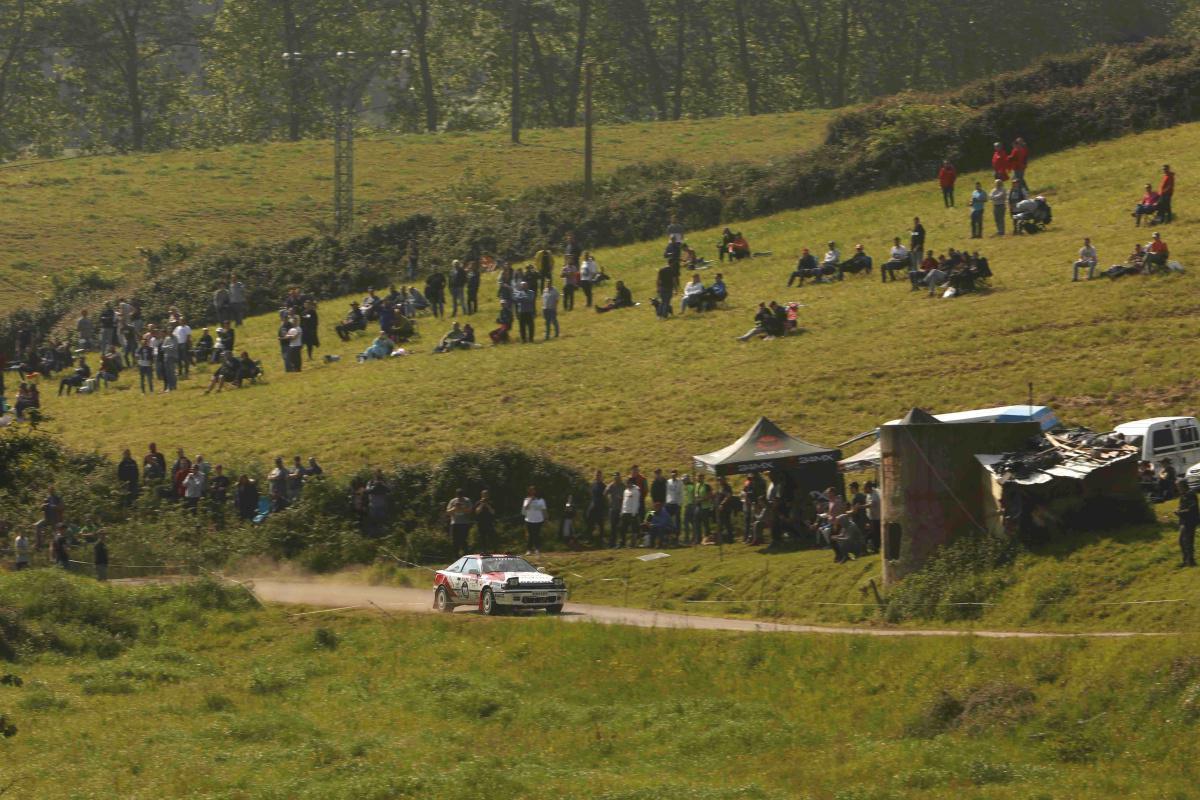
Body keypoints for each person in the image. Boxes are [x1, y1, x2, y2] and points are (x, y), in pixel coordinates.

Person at [1177, 479, 1198, 567]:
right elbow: (1182, 506)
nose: (1177, 488)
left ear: (1183, 486)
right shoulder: (1183, 495)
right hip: (1184, 521)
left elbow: (1192, 509)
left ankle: (1191, 561)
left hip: (1190, 521)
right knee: (1182, 541)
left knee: (1188, 541)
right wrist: (1178, 510)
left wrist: (1180, 512)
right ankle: (1186, 560)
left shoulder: (1190, 494)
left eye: (1178, 486)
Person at [446, 489, 473, 556]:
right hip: (455, 523)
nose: (460, 497)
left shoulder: (467, 500)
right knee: (455, 541)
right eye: (458, 495)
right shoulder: (452, 501)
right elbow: (448, 512)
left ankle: (466, 555)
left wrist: (462, 508)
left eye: (461, 495)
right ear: (456, 495)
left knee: (464, 540)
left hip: (464, 523)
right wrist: (455, 508)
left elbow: (470, 511)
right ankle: (456, 556)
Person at [522, 485, 547, 555]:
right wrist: (530, 500)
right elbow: (525, 509)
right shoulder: (526, 500)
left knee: (536, 535)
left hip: (538, 520)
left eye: (533, 490)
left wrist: (546, 518)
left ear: (536, 491)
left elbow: (544, 510)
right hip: (529, 520)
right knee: (530, 535)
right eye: (530, 490)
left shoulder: (541, 500)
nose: (532, 491)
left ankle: (537, 549)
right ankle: (528, 550)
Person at [585, 470, 607, 544]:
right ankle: (589, 539)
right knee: (590, 522)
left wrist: (604, 509)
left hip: (600, 507)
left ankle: (601, 540)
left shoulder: (603, 486)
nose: (597, 477)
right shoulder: (593, 485)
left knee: (601, 524)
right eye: (596, 475)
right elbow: (591, 496)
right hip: (593, 506)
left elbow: (605, 498)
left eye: (599, 475)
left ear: (601, 477)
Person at [619, 479, 641, 549]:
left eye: (629, 483)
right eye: (627, 483)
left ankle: (633, 544)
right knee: (623, 528)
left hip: (632, 513)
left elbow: (636, 502)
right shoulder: (625, 491)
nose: (627, 484)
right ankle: (622, 543)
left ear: (632, 483)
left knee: (634, 529)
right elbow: (624, 502)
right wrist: (622, 511)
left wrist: (634, 513)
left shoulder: (636, 491)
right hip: (625, 512)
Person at [864, 480, 881, 553]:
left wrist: (860, 507)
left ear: (868, 487)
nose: (863, 489)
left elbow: (872, 504)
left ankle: (876, 548)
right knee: (874, 533)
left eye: (864, 488)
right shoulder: (868, 494)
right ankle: (875, 548)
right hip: (872, 518)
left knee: (875, 534)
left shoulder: (875, 493)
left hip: (878, 518)